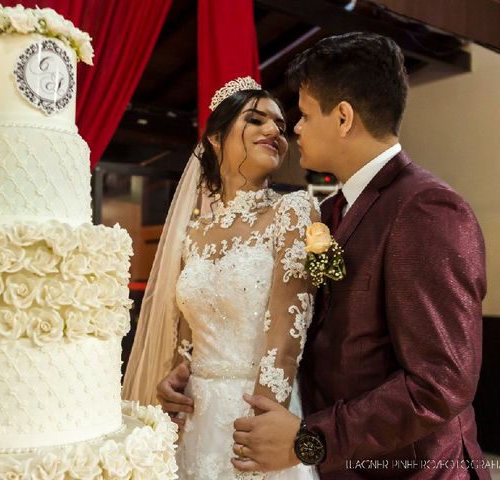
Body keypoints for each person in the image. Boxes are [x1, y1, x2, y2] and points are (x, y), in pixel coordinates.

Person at [230, 33, 490, 479]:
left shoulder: (426, 209)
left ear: (344, 117)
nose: (295, 128)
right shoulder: (329, 212)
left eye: (306, 115)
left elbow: (441, 383)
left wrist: (310, 440)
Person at [123, 77, 320, 479]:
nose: (274, 132)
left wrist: (259, 435)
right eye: (256, 120)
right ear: (215, 138)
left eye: (280, 126)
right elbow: (187, 337)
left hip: (256, 411)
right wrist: (174, 379)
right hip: (195, 418)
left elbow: (285, 338)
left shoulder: (292, 212)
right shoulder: (192, 232)